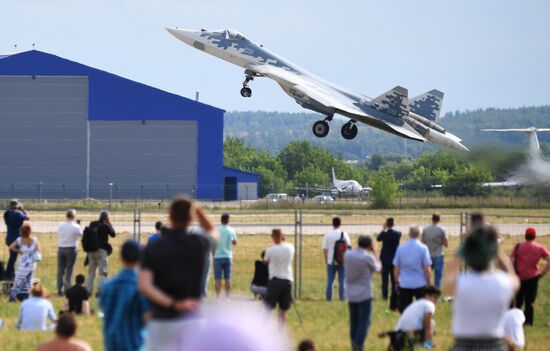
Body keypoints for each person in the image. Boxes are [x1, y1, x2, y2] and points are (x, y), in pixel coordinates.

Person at [139, 197, 216, 351]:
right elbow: (212, 230)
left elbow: (144, 285)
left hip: (162, 319)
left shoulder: (154, 247)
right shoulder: (199, 244)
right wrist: (197, 208)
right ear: (191, 218)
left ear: (170, 216)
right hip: (193, 318)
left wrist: (173, 304)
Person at [444, 225, 519, 351]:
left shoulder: (461, 283)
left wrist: (462, 248)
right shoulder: (503, 283)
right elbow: (514, 279)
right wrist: (497, 249)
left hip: (463, 345)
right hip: (494, 345)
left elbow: (448, 277)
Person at [101, 240, 149, 351]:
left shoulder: (108, 286)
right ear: (140, 258)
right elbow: (147, 318)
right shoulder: (142, 286)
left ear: (121, 257)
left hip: (112, 343)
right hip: (134, 343)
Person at [344, 235, 381, 351]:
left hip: (351, 293)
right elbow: (378, 269)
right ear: (369, 245)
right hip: (364, 294)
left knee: (354, 322)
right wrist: (375, 253)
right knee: (365, 322)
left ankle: (354, 345)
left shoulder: (348, 255)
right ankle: (358, 345)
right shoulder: (368, 257)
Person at [510, 227, 550, 326]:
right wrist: (543, 273)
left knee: (517, 301)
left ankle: (515, 321)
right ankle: (528, 322)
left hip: (519, 277)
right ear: (534, 236)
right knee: (530, 302)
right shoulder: (539, 248)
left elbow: (511, 261)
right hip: (532, 278)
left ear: (525, 235)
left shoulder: (518, 246)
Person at [393, 226, 432, 313]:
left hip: (404, 283)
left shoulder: (401, 248)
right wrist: (428, 282)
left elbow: (397, 267)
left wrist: (396, 281)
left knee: (405, 310)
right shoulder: (423, 248)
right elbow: (427, 268)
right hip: (420, 283)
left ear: (409, 234)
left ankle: (407, 325)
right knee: (422, 309)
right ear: (419, 235)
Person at [264, 228, 295, 325]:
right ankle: (281, 330)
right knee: (283, 309)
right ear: (283, 236)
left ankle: (262, 326)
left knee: (268, 307)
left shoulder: (270, 250)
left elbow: (265, 261)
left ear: (272, 237)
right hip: (287, 280)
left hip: (275, 280)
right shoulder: (290, 248)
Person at [86, 210, 116, 296]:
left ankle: (88, 291)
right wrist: (109, 223)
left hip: (91, 251)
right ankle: (100, 291)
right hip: (101, 250)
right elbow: (113, 234)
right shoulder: (105, 226)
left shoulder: (92, 224)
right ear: (106, 218)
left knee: (91, 272)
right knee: (103, 272)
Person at [322, 217, 351, 301]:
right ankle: (342, 298)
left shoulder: (328, 234)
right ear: (340, 224)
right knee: (342, 281)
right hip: (342, 261)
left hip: (331, 261)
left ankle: (328, 299)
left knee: (330, 281)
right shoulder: (344, 234)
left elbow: (324, 249)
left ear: (332, 224)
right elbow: (349, 248)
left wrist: (326, 259)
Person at [9, 224, 40, 302]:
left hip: (22, 265)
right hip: (31, 265)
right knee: (28, 281)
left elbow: (11, 247)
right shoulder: (34, 240)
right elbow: (38, 250)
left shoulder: (19, 240)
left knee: (18, 281)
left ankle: (13, 297)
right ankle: (26, 296)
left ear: (21, 232)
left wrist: (18, 251)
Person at [377, 217, 401, 310]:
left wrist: (384, 229)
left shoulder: (385, 234)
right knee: (394, 279)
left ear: (387, 224)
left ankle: (384, 296)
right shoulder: (398, 234)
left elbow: (378, 238)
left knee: (384, 279)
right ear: (393, 224)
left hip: (384, 260)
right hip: (394, 260)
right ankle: (394, 295)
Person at [57, 209, 83, 296]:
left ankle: (59, 289)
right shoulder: (76, 226)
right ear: (74, 216)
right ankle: (67, 288)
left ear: (66, 216)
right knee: (69, 270)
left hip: (61, 248)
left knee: (60, 270)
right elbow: (81, 235)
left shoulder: (61, 225)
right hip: (71, 248)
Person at [3, 199, 29, 280]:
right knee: (13, 258)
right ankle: (8, 274)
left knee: (12, 256)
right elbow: (28, 217)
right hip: (16, 239)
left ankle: (12, 274)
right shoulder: (19, 215)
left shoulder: (6, 214)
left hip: (9, 238)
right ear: (16, 206)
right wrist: (22, 209)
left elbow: (7, 211)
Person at [421, 214, 448, 289]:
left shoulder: (425, 229)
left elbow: (422, 242)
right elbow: (446, 244)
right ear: (439, 220)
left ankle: (426, 290)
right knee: (438, 276)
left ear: (432, 219)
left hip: (427, 255)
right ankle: (436, 291)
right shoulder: (443, 229)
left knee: (426, 275)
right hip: (438, 254)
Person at [214, 213, 237, 298]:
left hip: (218, 256)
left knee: (218, 279)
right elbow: (234, 243)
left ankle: (217, 297)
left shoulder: (216, 229)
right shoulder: (231, 230)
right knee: (228, 279)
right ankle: (228, 297)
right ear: (228, 220)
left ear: (221, 220)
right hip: (228, 256)